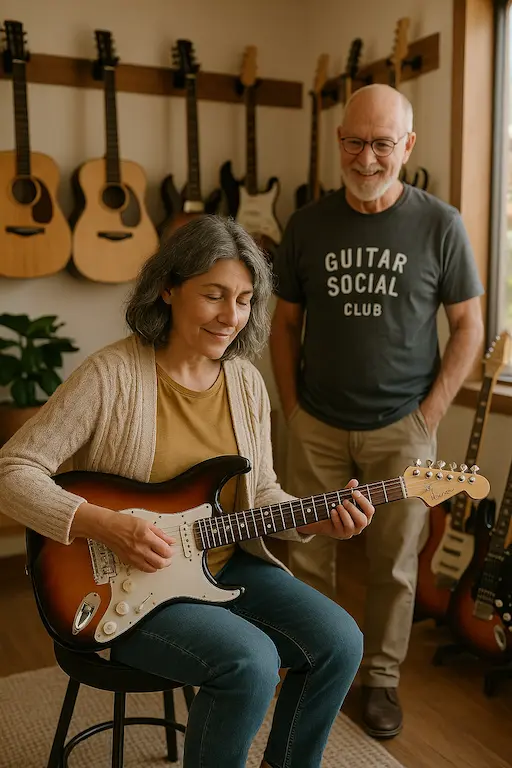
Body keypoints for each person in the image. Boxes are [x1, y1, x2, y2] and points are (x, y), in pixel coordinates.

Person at [0, 215, 375, 768]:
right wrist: (107, 525)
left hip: (224, 565)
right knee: (250, 662)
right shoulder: (108, 377)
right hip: (124, 590)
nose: (231, 316)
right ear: (168, 288)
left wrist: (315, 520)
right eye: (214, 295)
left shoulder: (246, 383)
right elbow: (12, 471)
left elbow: (260, 495)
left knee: (341, 641)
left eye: (244, 300)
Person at [270, 84, 484, 740]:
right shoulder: (307, 225)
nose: (366, 158)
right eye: (355, 142)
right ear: (339, 141)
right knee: (308, 552)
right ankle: (314, 665)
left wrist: (429, 417)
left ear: (407, 145)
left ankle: (381, 678)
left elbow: (470, 327)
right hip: (317, 423)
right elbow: (283, 324)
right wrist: (292, 409)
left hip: (402, 427)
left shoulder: (441, 224)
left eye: (382, 144)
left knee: (395, 561)